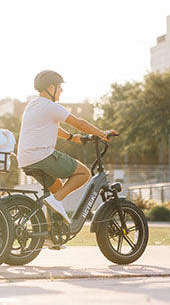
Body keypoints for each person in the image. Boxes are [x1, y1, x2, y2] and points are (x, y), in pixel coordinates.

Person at [17, 70, 116, 230]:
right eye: (59, 86)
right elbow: (80, 123)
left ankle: (50, 233)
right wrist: (101, 133)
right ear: (51, 87)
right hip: (42, 156)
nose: (61, 90)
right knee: (83, 173)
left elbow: (52, 128)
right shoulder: (51, 106)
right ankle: (55, 201)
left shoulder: (33, 105)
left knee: (57, 189)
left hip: (25, 159)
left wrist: (72, 137)